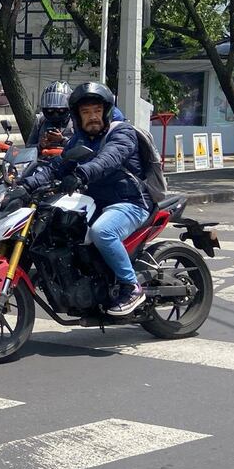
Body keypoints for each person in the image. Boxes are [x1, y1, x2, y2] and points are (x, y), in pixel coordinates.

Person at [22, 82, 152, 316]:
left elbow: (108, 159)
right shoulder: (78, 140)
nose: (92, 117)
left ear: (106, 111)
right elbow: (57, 166)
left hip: (130, 203)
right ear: (77, 116)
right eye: (85, 112)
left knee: (103, 231)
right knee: (55, 226)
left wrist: (81, 174)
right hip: (95, 203)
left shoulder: (122, 132)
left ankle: (131, 286)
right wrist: (25, 185)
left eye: (96, 111)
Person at [26, 80, 75, 148]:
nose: (55, 114)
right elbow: (28, 147)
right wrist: (41, 145)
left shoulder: (75, 121)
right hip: (42, 158)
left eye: (60, 110)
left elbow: (81, 148)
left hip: (68, 158)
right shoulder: (41, 120)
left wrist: (62, 140)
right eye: (50, 110)